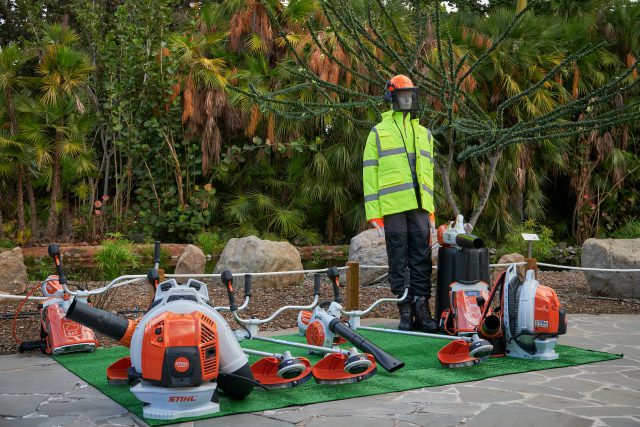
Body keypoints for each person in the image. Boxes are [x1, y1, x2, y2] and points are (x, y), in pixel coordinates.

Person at [362, 75, 438, 332]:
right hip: (392, 208)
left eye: (410, 95)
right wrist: (374, 212)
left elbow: (429, 175)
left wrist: (431, 209)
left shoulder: (425, 134)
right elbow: (369, 174)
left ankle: (422, 309)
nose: (407, 99)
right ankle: (405, 311)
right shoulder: (378, 132)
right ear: (391, 98)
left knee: (422, 258)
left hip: (420, 207)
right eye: (402, 95)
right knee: (398, 259)